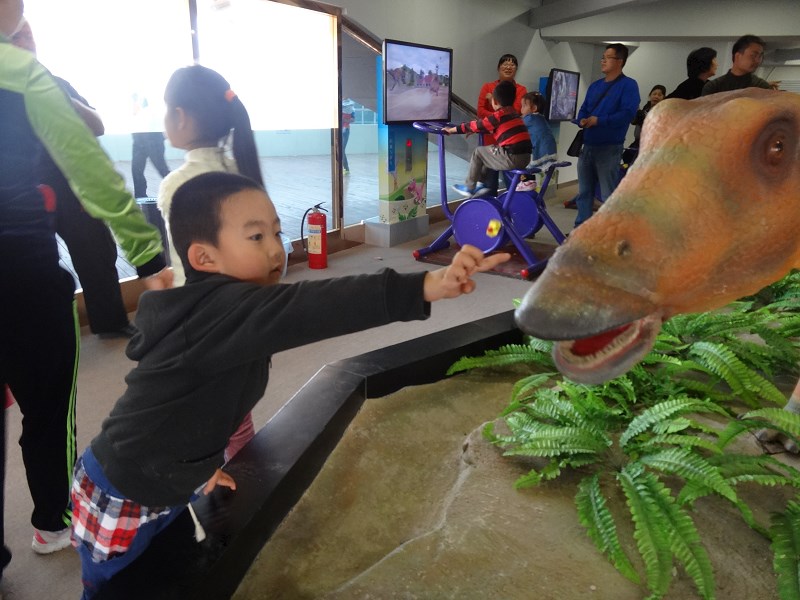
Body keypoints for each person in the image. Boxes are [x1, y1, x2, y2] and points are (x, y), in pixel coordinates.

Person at [70, 171, 510, 598]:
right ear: (204, 258)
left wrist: (199, 465)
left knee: (167, 562)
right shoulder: (225, 312)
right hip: (123, 487)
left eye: (276, 232)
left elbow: (185, 403)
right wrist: (427, 285)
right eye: (255, 236)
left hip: (166, 475)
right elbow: (317, 305)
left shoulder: (226, 315)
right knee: (113, 586)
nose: (275, 248)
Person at [0, 0, 171, 582]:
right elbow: (90, 167)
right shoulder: (21, 73)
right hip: (23, 272)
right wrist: (148, 258)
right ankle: (52, 523)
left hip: (27, 263)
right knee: (48, 408)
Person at [158, 64, 266, 461]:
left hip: (200, 325)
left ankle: (223, 484)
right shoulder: (242, 170)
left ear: (181, 116)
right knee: (237, 413)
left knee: (202, 418)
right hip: (247, 316)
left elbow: (190, 266)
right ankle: (248, 474)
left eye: (166, 109)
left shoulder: (177, 184)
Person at [11, 18, 136, 338]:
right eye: (14, 36)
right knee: (29, 268)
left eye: (27, 34)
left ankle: (111, 323)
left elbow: (97, 126)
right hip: (19, 194)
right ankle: (40, 338)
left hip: (73, 188)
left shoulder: (57, 83)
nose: (23, 41)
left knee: (97, 255)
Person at [572, 43, 640, 228]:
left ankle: (609, 232)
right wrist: (582, 119)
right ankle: (581, 230)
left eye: (607, 58)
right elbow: (584, 109)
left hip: (610, 148)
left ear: (620, 61)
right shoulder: (595, 86)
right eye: (603, 57)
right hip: (588, 146)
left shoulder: (628, 85)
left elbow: (627, 114)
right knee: (584, 193)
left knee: (608, 194)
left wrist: (599, 121)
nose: (602, 61)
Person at [444, 80, 532, 198]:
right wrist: (476, 130)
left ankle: (470, 187)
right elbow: (496, 129)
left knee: (478, 152)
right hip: (525, 158)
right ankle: (481, 184)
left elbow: (474, 125)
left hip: (511, 157)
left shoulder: (498, 116)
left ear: (494, 101)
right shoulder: (514, 115)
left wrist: (451, 130)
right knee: (488, 151)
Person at [477, 54, 528, 195]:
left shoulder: (521, 90)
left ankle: (515, 208)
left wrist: (492, 102)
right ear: (498, 67)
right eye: (505, 64)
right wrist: (502, 115)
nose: (508, 67)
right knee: (488, 186)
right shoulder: (487, 87)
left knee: (514, 185)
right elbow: (480, 112)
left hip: (512, 145)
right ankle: (490, 209)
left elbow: (516, 111)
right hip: (490, 143)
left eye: (512, 65)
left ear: (516, 69)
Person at [701, 34, 771, 96]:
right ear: (737, 56)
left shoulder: (761, 87)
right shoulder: (713, 87)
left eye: (760, 56)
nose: (758, 60)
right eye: (753, 55)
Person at [131, 93, 171, 198]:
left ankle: (180, 191)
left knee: (162, 168)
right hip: (138, 136)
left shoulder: (151, 95)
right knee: (136, 170)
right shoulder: (135, 98)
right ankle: (140, 197)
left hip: (153, 136)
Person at [626, 84, 666, 164]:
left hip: (651, 145)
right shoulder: (645, 110)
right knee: (627, 156)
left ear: (663, 98)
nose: (656, 96)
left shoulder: (663, 112)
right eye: (654, 94)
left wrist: (642, 116)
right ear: (650, 96)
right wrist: (635, 112)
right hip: (638, 142)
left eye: (659, 95)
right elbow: (633, 122)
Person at [341, 99, 355, 175]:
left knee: (342, 149)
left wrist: (345, 120)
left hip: (346, 130)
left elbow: (353, 120)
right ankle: (345, 168)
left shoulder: (351, 110)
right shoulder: (339, 108)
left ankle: (346, 169)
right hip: (339, 130)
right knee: (340, 150)